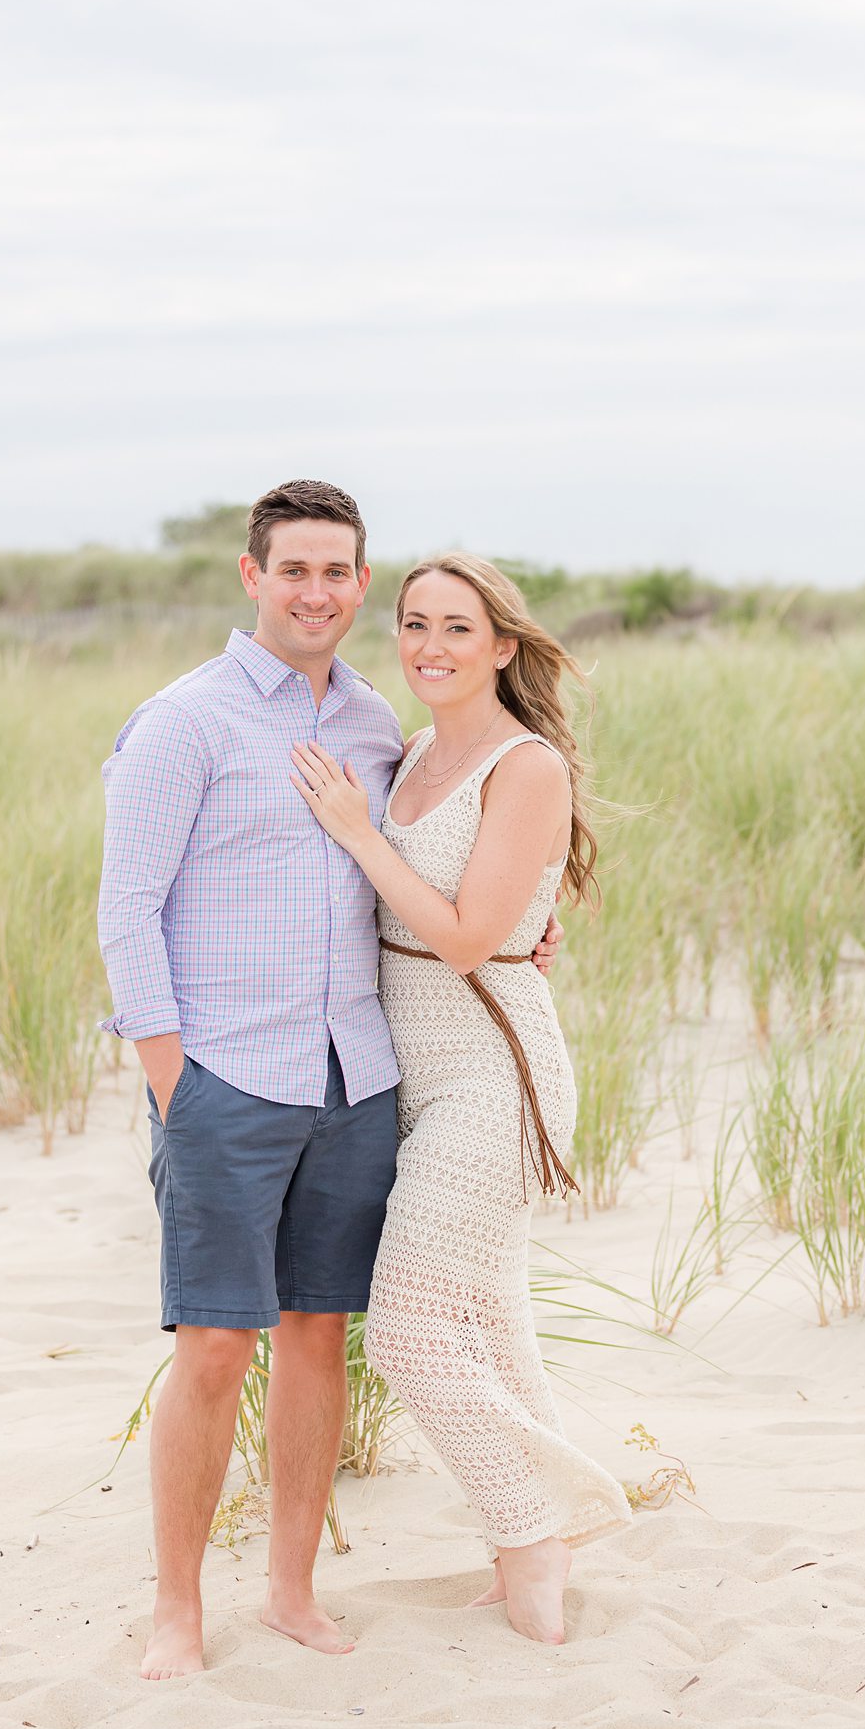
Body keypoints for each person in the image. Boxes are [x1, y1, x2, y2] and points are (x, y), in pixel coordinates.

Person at [97, 482, 560, 1679]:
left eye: (337, 573)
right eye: (291, 569)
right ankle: (176, 1615)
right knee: (213, 1348)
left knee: (317, 1338)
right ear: (251, 576)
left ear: (361, 585)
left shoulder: (376, 727)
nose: (316, 593)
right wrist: (170, 1084)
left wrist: (529, 937)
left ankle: (293, 1593)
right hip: (226, 1085)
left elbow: (450, 871)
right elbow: (125, 915)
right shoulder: (180, 723)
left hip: (358, 1081)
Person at [289, 553, 632, 1646]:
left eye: (456, 627)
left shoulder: (524, 767)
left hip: (495, 1074)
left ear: (503, 646)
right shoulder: (412, 750)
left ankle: (534, 1527)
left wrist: (357, 833)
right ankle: (529, 1542)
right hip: (410, 1077)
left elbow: (465, 936)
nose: (430, 646)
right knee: (490, 1323)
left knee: (406, 1331)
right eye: (413, 624)